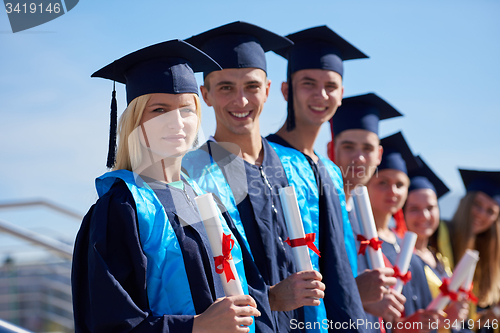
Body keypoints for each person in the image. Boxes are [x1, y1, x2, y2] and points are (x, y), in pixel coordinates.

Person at [71, 39, 270, 333]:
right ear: (135, 121)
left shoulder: (205, 198)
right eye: (159, 110)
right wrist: (195, 326)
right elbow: (110, 321)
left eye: (187, 110)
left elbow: (250, 294)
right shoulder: (122, 208)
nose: (177, 122)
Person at [182, 22, 326, 332]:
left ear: (268, 90)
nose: (241, 100)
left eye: (251, 86)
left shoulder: (297, 167)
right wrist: (269, 298)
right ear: (204, 94)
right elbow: (195, 275)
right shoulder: (188, 174)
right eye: (225, 88)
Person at [327, 93, 407, 328]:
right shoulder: (319, 210)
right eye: (349, 147)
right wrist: (357, 297)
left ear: (379, 155)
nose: (359, 157)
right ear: (332, 149)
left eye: (367, 148)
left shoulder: (365, 220)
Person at [366, 132, 444, 332]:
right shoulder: (357, 241)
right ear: (366, 183)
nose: (393, 191)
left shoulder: (408, 249)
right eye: (382, 182)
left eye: (400, 185)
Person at [404, 156, 470, 332]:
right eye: (414, 209)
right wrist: (446, 320)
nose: (424, 216)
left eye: (430, 208)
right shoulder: (402, 261)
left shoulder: (438, 256)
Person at [445, 169, 500, 331]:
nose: (482, 214)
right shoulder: (439, 237)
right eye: (477, 204)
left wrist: (493, 314)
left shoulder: (490, 255)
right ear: (465, 202)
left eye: (490, 211)